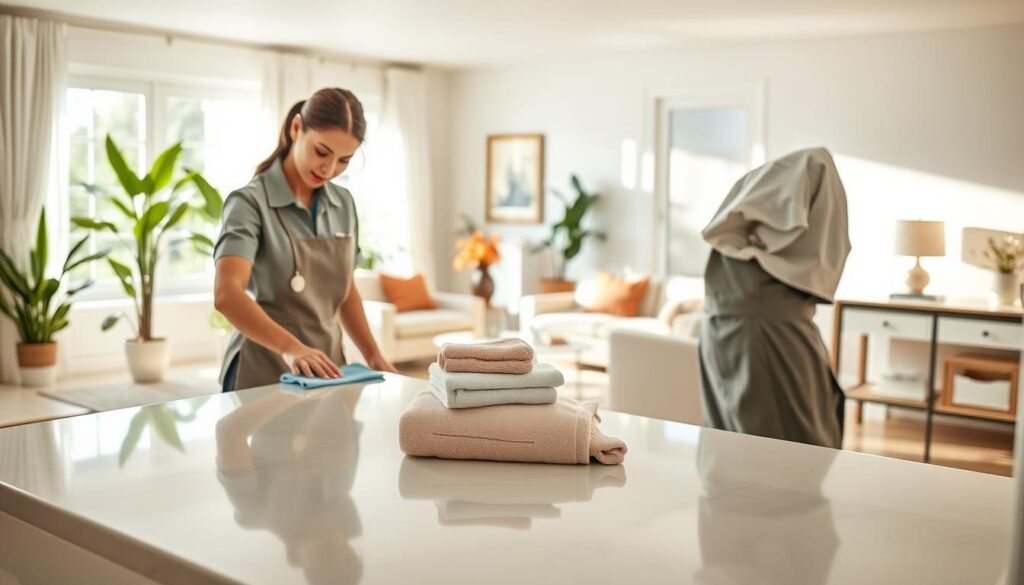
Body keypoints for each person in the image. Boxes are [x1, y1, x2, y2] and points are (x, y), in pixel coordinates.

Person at [214, 88, 396, 392]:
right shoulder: (248, 203)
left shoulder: (344, 203)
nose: (330, 169)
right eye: (322, 152)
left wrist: (374, 356)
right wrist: (291, 348)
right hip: (262, 367)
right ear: (296, 128)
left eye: (344, 160)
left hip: (328, 368)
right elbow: (226, 294)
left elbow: (345, 288)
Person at [698, 147, 851, 448]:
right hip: (766, 338)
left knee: (735, 451)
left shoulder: (736, 261)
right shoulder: (757, 295)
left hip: (733, 333)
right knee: (783, 456)